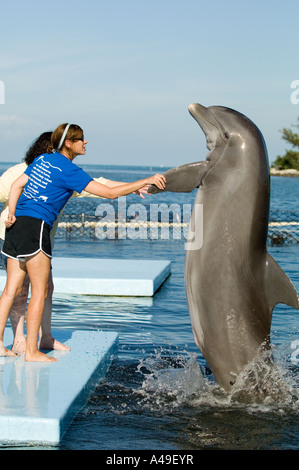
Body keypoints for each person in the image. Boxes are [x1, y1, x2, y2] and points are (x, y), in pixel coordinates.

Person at [0, 123, 166, 362]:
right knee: (39, 292)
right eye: (81, 139)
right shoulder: (68, 169)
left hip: (15, 227)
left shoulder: (43, 160)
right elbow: (108, 194)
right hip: (36, 228)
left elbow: (17, 185)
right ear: (68, 143)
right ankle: (32, 352)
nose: (85, 142)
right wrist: (146, 180)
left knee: (9, 292)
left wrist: (12, 213)